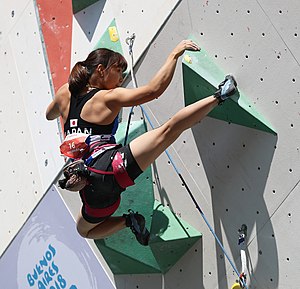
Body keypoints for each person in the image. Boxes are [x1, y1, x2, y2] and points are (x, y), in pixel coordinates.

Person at [46, 40, 237, 246]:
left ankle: (129, 221)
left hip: (96, 193)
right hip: (111, 164)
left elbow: (50, 114)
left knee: (84, 230)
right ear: (101, 70)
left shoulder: (65, 92)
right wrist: (174, 53)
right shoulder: (108, 97)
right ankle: (221, 95)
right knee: (168, 130)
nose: (121, 79)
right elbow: (154, 90)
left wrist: (67, 111)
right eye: (119, 71)